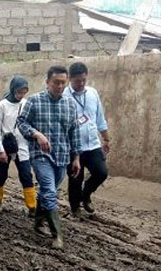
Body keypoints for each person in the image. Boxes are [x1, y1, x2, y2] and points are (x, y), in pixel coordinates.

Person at [17, 65, 81, 249]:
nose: (59, 86)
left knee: (47, 191)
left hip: (62, 155)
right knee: (49, 191)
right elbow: (21, 123)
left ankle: (38, 222)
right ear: (47, 82)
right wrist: (37, 134)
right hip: (40, 155)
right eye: (56, 82)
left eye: (63, 83)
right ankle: (57, 235)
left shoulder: (70, 104)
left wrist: (76, 158)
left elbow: (74, 132)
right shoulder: (34, 101)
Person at [63, 62, 110, 216]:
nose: (81, 83)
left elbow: (99, 117)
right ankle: (75, 207)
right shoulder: (63, 96)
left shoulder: (92, 93)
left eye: (84, 80)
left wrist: (106, 139)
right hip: (73, 145)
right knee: (76, 177)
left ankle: (86, 194)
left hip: (93, 143)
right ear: (70, 79)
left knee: (101, 172)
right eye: (77, 81)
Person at [0, 76, 36, 216]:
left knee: (26, 175)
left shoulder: (26, 104)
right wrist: (1, 151)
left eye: (24, 92)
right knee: (1, 175)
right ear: (13, 89)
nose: (21, 95)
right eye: (19, 91)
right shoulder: (2, 106)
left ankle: (32, 206)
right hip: (4, 145)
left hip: (21, 147)